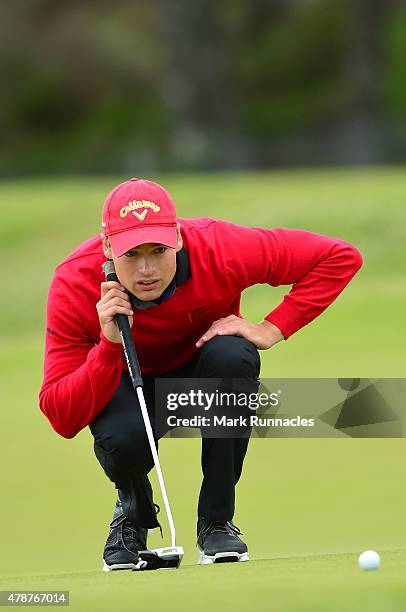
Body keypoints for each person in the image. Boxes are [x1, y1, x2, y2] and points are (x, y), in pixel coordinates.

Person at [39, 177, 363, 571]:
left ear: (177, 237)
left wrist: (272, 328)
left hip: (202, 371)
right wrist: (108, 346)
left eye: (158, 250)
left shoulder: (220, 248)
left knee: (234, 355)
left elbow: (338, 257)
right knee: (122, 439)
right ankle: (132, 514)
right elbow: (61, 416)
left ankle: (216, 523)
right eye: (131, 254)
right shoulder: (73, 282)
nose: (146, 269)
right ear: (107, 248)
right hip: (126, 379)